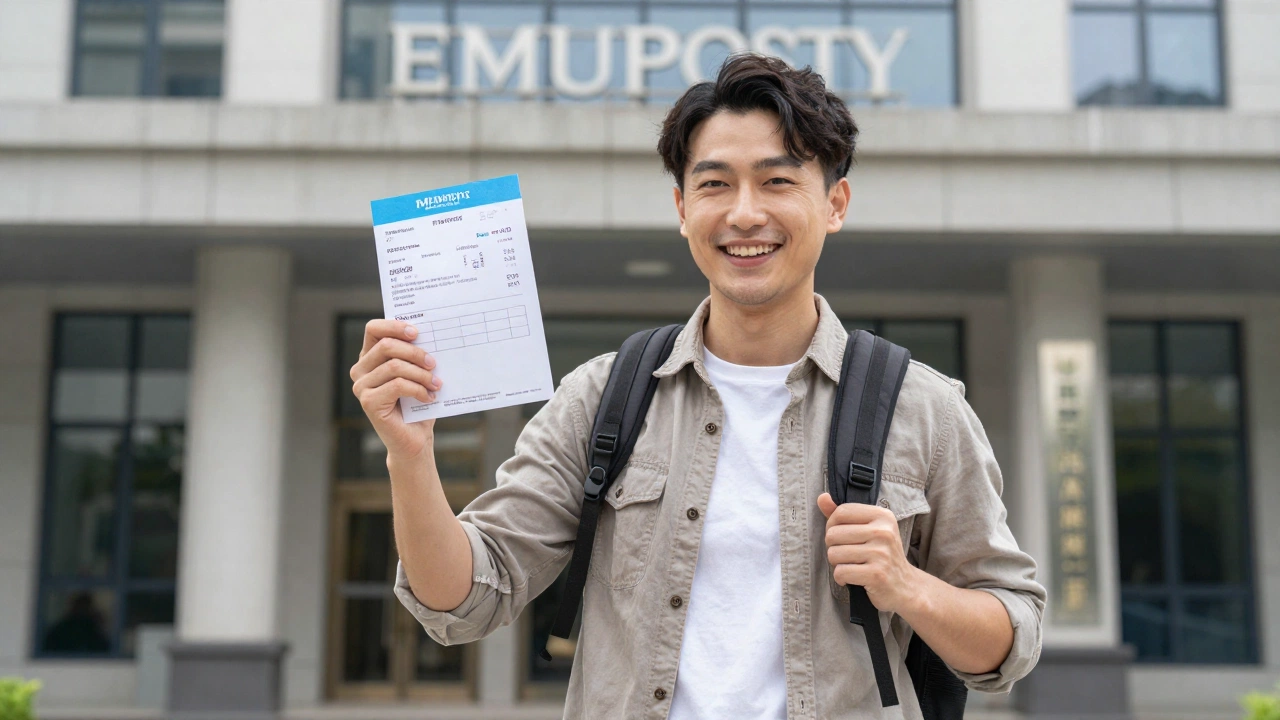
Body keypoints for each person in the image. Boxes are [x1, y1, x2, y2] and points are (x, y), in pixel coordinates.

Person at [349, 52, 1045, 719]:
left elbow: (1011, 639)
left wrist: (908, 588)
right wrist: (409, 457)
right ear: (682, 208)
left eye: (777, 181)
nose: (744, 214)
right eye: (715, 184)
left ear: (835, 203)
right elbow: (463, 602)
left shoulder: (922, 408)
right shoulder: (603, 397)